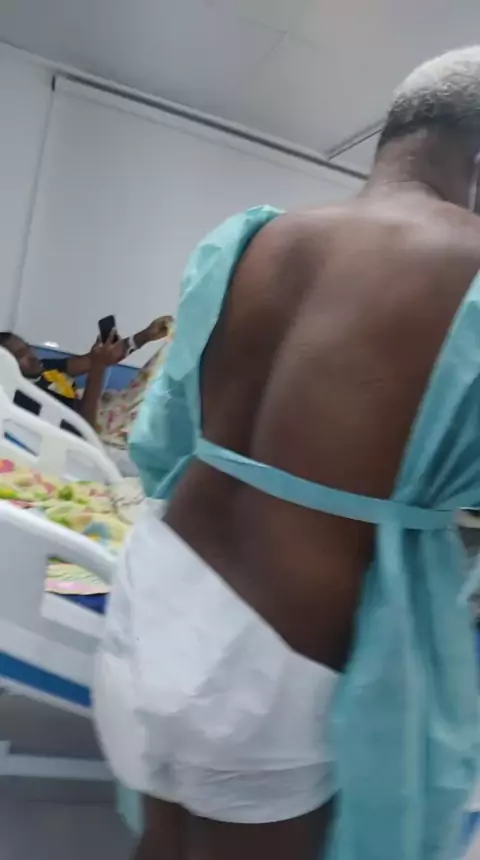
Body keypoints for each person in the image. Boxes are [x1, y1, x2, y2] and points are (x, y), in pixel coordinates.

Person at [95, 47, 480, 860]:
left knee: (163, 843)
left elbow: (164, 436)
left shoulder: (254, 240)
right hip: (277, 650)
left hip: (160, 581)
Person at [0, 316, 171, 428]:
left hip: (100, 411)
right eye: (21, 355)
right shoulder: (24, 396)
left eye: (28, 348)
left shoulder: (43, 367)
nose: (32, 355)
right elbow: (85, 425)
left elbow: (92, 361)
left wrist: (144, 336)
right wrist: (98, 367)